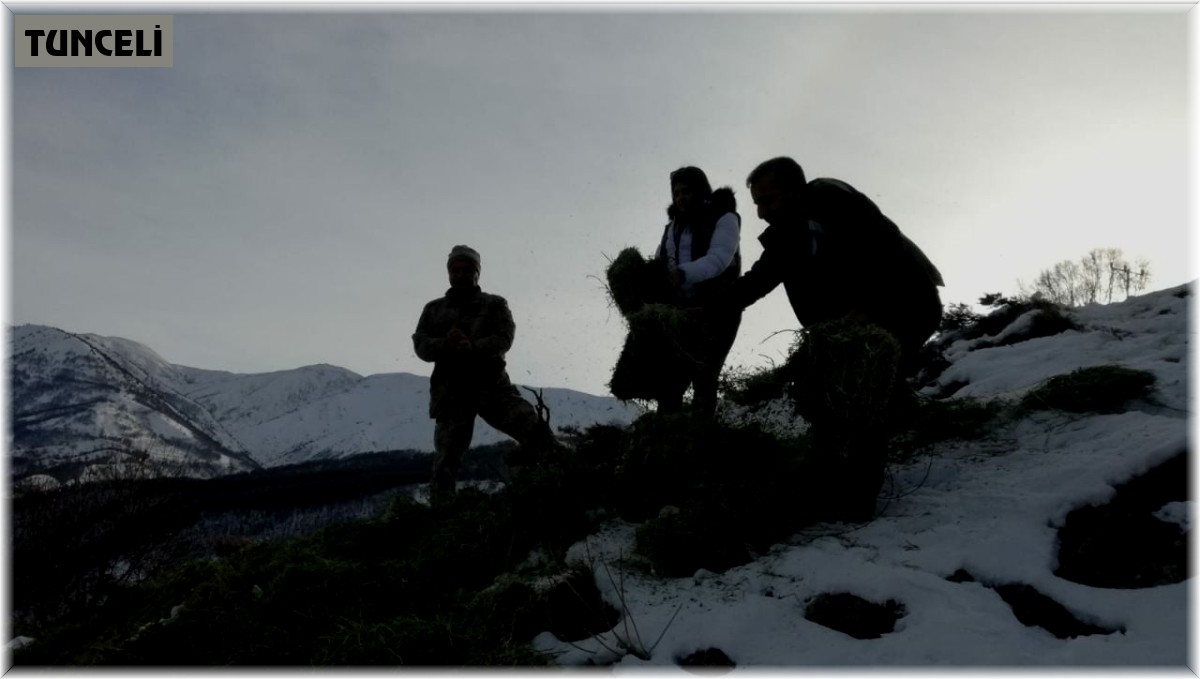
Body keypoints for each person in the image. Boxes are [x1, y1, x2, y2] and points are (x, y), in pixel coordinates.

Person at [724, 156, 944, 521]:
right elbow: (758, 280)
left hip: (906, 302)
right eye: (758, 204)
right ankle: (827, 472)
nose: (762, 213)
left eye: (769, 200)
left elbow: (884, 245)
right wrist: (710, 309)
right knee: (829, 394)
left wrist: (868, 304)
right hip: (849, 327)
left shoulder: (833, 199)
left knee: (866, 390)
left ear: (796, 190)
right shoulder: (784, 237)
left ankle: (857, 498)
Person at [412, 245, 552, 504]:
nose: (461, 274)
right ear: (449, 273)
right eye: (456, 270)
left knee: (534, 430)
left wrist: (473, 347)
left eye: (468, 270)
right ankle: (441, 516)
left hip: (492, 387)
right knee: (445, 461)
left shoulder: (495, 304)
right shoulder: (433, 309)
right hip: (451, 394)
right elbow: (421, 345)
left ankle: (564, 477)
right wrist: (446, 344)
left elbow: (504, 337)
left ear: (477, 273)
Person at [651, 166, 743, 420]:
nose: (680, 197)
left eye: (686, 191)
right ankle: (665, 437)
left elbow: (719, 259)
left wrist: (681, 274)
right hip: (681, 312)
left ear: (700, 190)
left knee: (705, 375)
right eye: (676, 192)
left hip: (718, 309)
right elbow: (663, 260)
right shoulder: (672, 228)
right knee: (671, 381)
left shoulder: (724, 218)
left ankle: (701, 437)